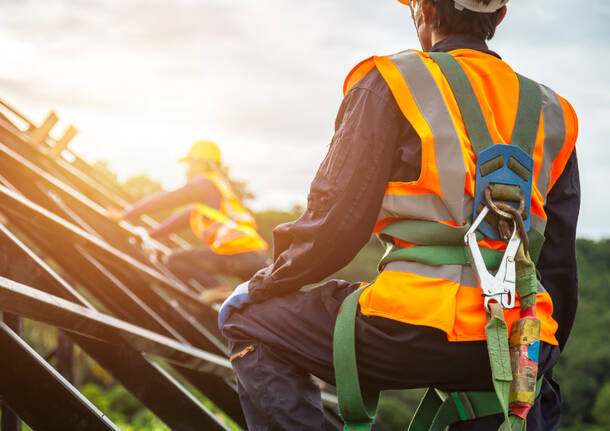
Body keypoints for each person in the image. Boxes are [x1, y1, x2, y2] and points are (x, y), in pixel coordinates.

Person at [219, 1, 579, 430]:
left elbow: (336, 224)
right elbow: (557, 265)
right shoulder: (554, 112)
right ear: (499, 17)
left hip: (413, 325)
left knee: (247, 320)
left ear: (424, 10)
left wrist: (267, 283)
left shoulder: (392, 81)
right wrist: (540, 354)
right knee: (520, 397)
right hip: (521, 338)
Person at [113, 140, 269, 302]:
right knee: (257, 305)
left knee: (175, 259)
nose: (187, 169)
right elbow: (176, 222)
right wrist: (150, 235)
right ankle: (221, 294)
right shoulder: (211, 200)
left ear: (201, 163)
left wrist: (126, 214)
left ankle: (217, 288)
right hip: (255, 258)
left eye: (190, 163)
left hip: (236, 254)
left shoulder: (205, 183)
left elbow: (168, 199)